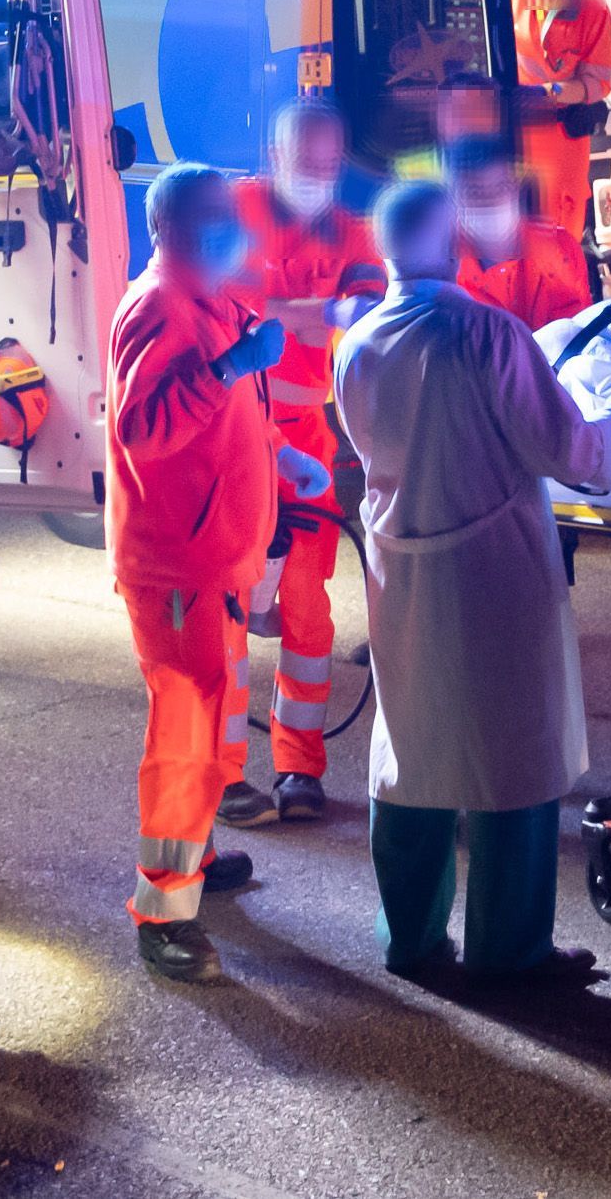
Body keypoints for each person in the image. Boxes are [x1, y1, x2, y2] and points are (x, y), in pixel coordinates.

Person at [334, 180, 611, 983]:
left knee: (414, 748)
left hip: (403, 571)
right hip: (492, 574)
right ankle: (510, 952)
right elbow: (566, 449)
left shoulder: (355, 344)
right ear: (451, 236)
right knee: (513, 754)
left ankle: (412, 940)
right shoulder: (487, 333)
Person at [108, 163, 335, 983]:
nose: (237, 232)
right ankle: (164, 912)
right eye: (218, 218)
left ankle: (194, 858)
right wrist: (231, 367)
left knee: (208, 723)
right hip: (178, 566)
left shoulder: (209, 301)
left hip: (213, 559)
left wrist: (284, 462)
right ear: (170, 226)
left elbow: (234, 416)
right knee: (185, 734)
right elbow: (145, 431)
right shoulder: (161, 306)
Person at [223, 102, 387, 826]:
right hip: (234, 447)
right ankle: (224, 773)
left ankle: (298, 768)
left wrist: (281, 310)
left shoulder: (352, 229)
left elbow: (367, 308)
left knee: (308, 615)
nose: (318, 178)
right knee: (225, 617)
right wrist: (313, 310)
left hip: (306, 450)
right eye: (305, 163)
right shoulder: (234, 208)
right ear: (273, 152)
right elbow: (223, 306)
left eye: (330, 165)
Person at [507, 0, 611, 236]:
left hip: (562, 144)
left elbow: (598, 82)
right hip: (514, 137)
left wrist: (552, 93)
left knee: (561, 235)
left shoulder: (592, 7)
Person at [445, 132, 593, 330]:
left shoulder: (561, 248)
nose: (491, 201)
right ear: (452, 199)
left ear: (516, 187)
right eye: (474, 193)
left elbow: (585, 334)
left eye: (501, 187)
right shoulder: (440, 272)